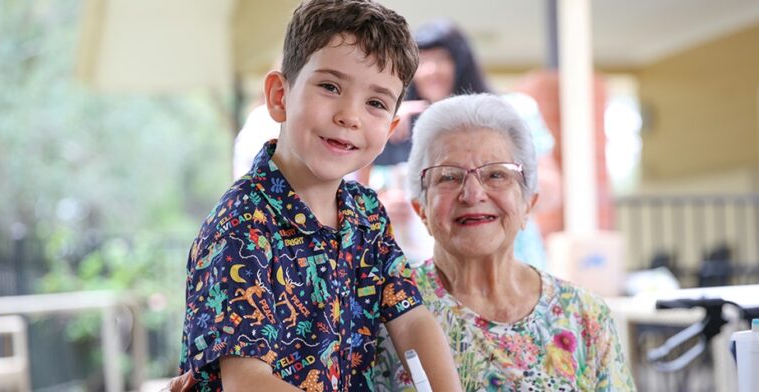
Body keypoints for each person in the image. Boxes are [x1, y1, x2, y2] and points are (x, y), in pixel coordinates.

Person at [177, 1, 462, 390]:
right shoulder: (241, 225)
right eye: (330, 86)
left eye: (375, 103)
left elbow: (411, 319)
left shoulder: (366, 213)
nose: (350, 115)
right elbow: (247, 382)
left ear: (391, 127)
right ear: (279, 96)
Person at [373, 94, 635, 391]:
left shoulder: (585, 315)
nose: (472, 194)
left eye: (496, 174)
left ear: (527, 204)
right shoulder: (387, 311)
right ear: (421, 209)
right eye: (449, 177)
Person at [368, 19, 561, 269]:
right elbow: (361, 195)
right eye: (422, 61)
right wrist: (381, 125)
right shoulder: (398, 126)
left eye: (442, 58)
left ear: (461, 63)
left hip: (512, 265)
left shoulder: (514, 112)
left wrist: (498, 167)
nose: (431, 70)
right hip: (430, 273)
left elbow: (551, 193)